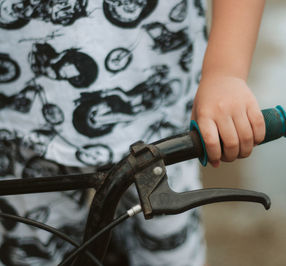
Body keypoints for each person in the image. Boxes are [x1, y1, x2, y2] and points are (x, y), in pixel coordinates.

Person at [0, 0, 266, 265]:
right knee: (32, 255)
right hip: (18, 124)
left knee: (169, 253)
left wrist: (225, 73)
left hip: (162, 124)